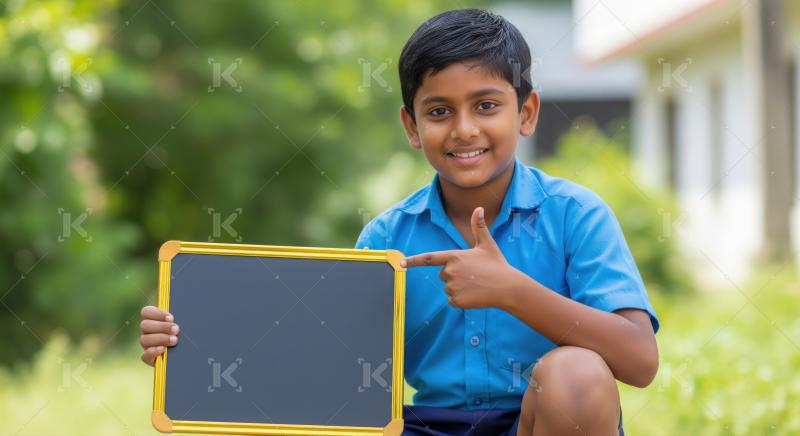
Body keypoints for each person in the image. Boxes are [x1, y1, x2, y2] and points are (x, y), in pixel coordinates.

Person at [140, 8, 659, 435]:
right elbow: (329, 373)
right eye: (438, 112)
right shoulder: (386, 239)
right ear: (412, 126)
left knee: (576, 372)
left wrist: (510, 290)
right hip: (421, 427)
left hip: (539, 421)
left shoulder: (576, 215)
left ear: (526, 113)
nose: (463, 129)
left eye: (486, 105)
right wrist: (191, 348)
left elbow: (639, 362)